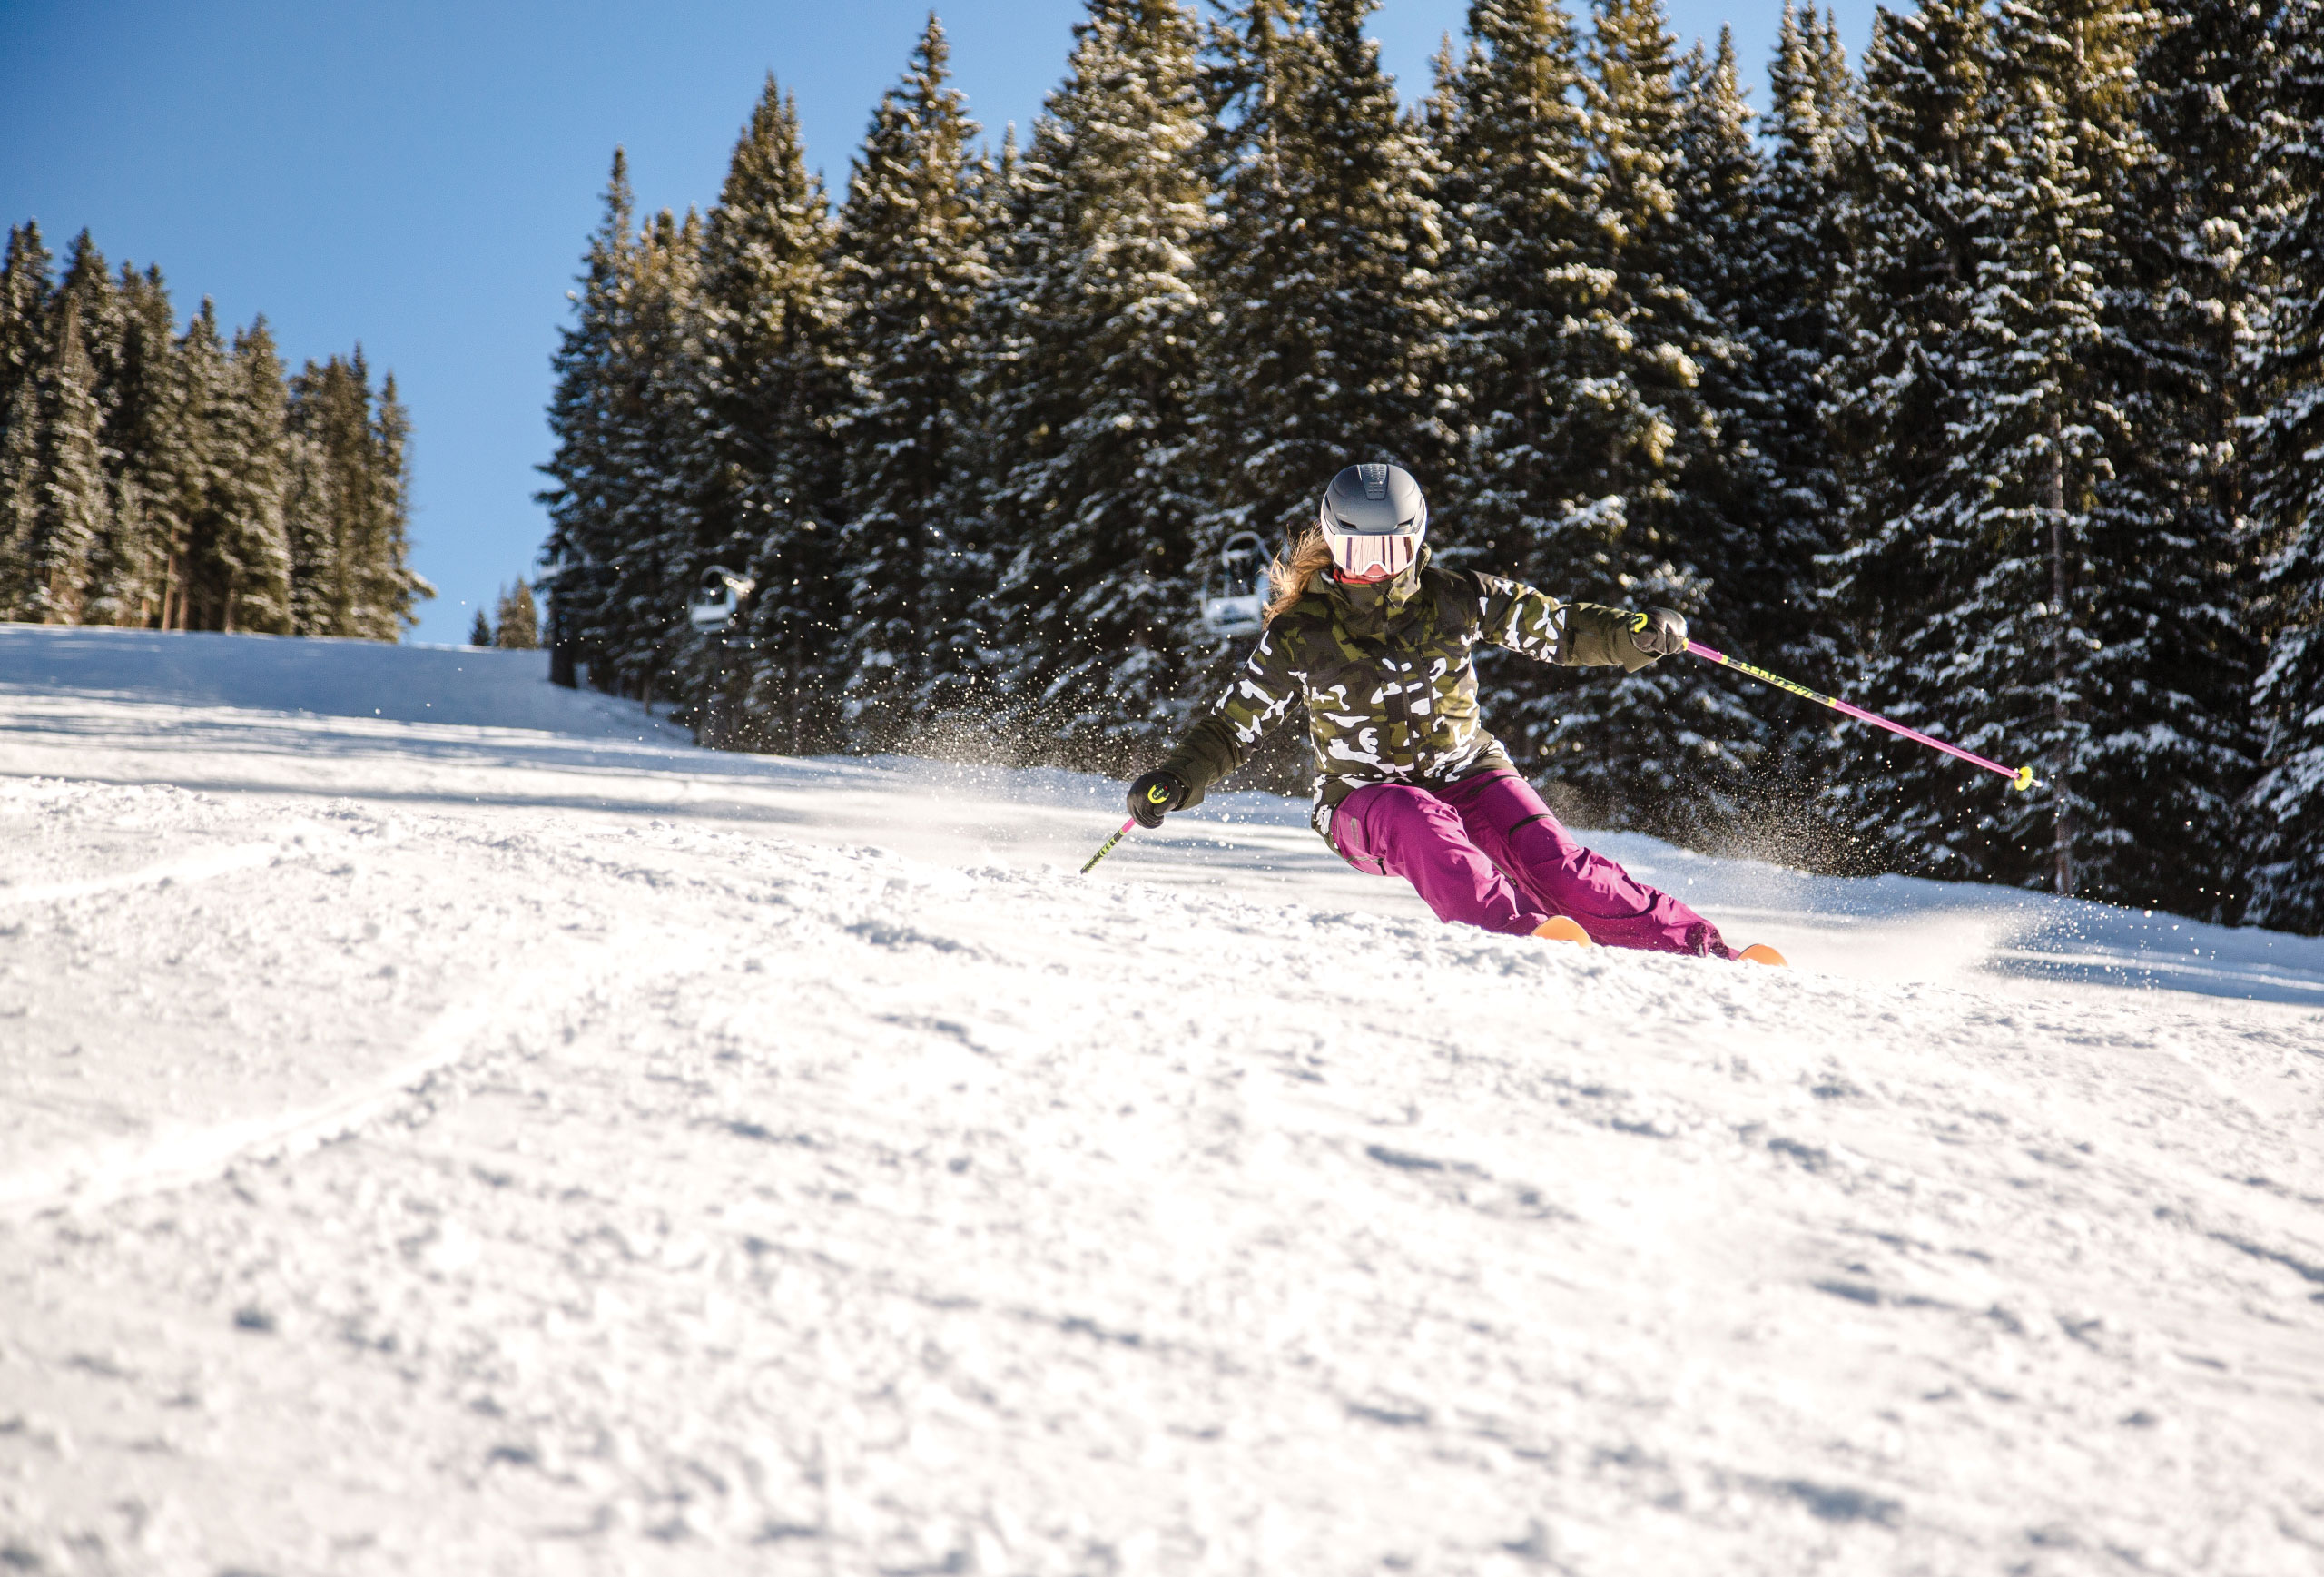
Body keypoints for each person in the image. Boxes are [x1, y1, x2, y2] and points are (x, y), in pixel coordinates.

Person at [1126, 463, 1784, 965]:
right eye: (1358, 554)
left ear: (1415, 544)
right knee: (1423, 824)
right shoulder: (1302, 632)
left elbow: (1556, 628)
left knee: (1555, 862)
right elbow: (1231, 727)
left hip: (1468, 770)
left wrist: (1631, 634)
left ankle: (1703, 953)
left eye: (1391, 551)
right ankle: (1527, 944)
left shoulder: (1456, 598)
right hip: (1363, 799)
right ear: (1332, 546)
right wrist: (1178, 778)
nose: (1376, 570)